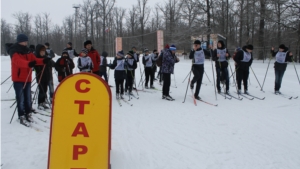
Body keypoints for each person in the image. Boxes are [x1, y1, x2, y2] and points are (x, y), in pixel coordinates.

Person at [8, 34, 50, 126]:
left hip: (28, 78)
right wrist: (29, 64)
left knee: (28, 99)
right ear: (20, 41)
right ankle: (21, 115)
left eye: (26, 41)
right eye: (24, 41)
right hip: (18, 79)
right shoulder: (14, 51)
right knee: (21, 98)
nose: (26, 43)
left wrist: (43, 61)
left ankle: (28, 113)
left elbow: (35, 60)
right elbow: (18, 62)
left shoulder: (28, 51)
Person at [34, 44, 53, 110]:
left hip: (46, 76)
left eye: (43, 51)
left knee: (45, 89)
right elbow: (36, 68)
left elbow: (51, 65)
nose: (42, 53)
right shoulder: (36, 58)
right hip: (40, 77)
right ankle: (40, 103)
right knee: (41, 91)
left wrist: (49, 61)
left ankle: (43, 101)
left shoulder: (46, 57)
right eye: (41, 52)